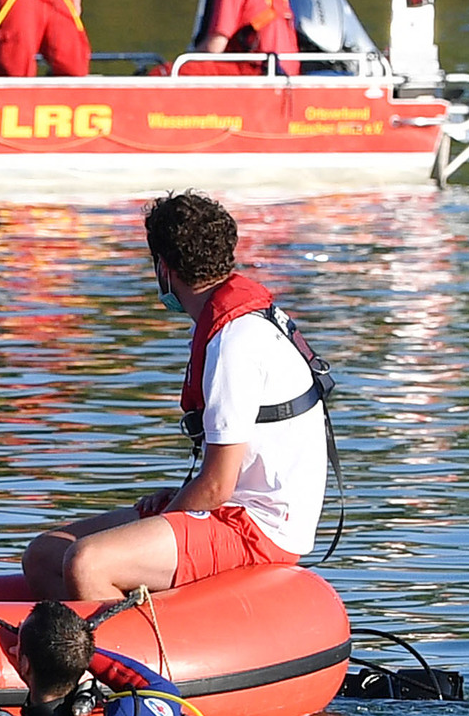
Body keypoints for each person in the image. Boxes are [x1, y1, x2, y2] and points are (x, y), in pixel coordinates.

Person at [20, 191, 329, 610]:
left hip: (259, 529)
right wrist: (176, 502)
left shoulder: (234, 342)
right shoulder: (244, 322)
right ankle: (75, 642)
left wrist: (167, 520)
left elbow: (217, 486)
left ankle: (131, 649)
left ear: (164, 268)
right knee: (44, 556)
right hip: (235, 508)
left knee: (86, 562)